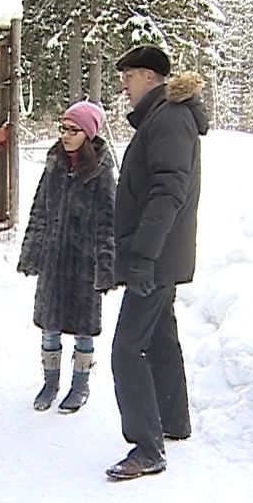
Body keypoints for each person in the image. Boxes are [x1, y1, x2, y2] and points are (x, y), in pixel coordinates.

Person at [106, 45, 209, 479]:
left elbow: (168, 192)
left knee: (127, 348)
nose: (124, 87)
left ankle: (147, 449)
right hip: (161, 254)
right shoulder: (164, 117)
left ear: (149, 77)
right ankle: (173, 421)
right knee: (161, 337)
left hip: (156, 256)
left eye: (128, 77)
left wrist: (143, 255)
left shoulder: (167, 118)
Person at [17, 100, 116, 414]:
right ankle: (50, 383)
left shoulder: (101, 172)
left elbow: (108, 222)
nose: (66, 135)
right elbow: (39, 211)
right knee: (50, 327)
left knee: (84, 331)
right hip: (53, 260)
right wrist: (32, 253)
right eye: (63, 128)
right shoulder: (54, 165)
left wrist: (106, 267)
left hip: (84, 264)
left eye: (73, 130)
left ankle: (80, 385)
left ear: (88, 134)